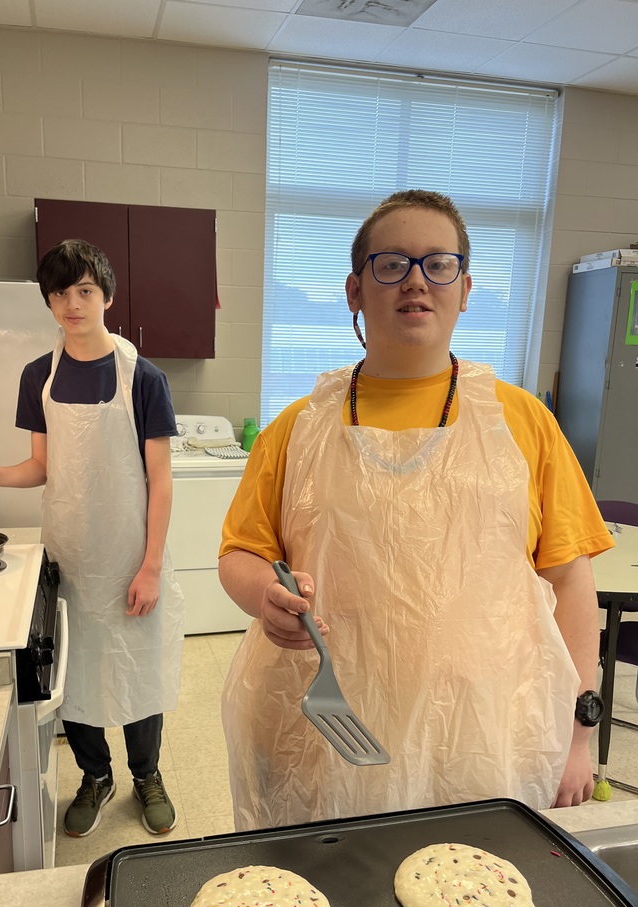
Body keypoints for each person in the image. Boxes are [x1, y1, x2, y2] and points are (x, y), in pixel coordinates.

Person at [218, 189, 614, 832]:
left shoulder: (522, 423)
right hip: (325, 734)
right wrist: (264, 592)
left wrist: (576, 734)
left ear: (465, 289)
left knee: (471, 904)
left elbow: (569, 581)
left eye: (439, 264)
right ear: (355, 290)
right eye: (391, 263)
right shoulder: (298, 428)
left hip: (486, 737)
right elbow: (240, 552)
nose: (416, 282)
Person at [0, 239, 184, 838]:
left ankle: (147, 773)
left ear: (105, 295)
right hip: (72, 555)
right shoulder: (39, 376)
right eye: (59, 293)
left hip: (131, 553)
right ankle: (95, 775)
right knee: (74, 671)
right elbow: (41, 468)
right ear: (49, 303)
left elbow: (160, 480)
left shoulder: (144, 378)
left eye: (84, 290)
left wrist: (151, 565)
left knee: (137, 666)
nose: (72, 303)